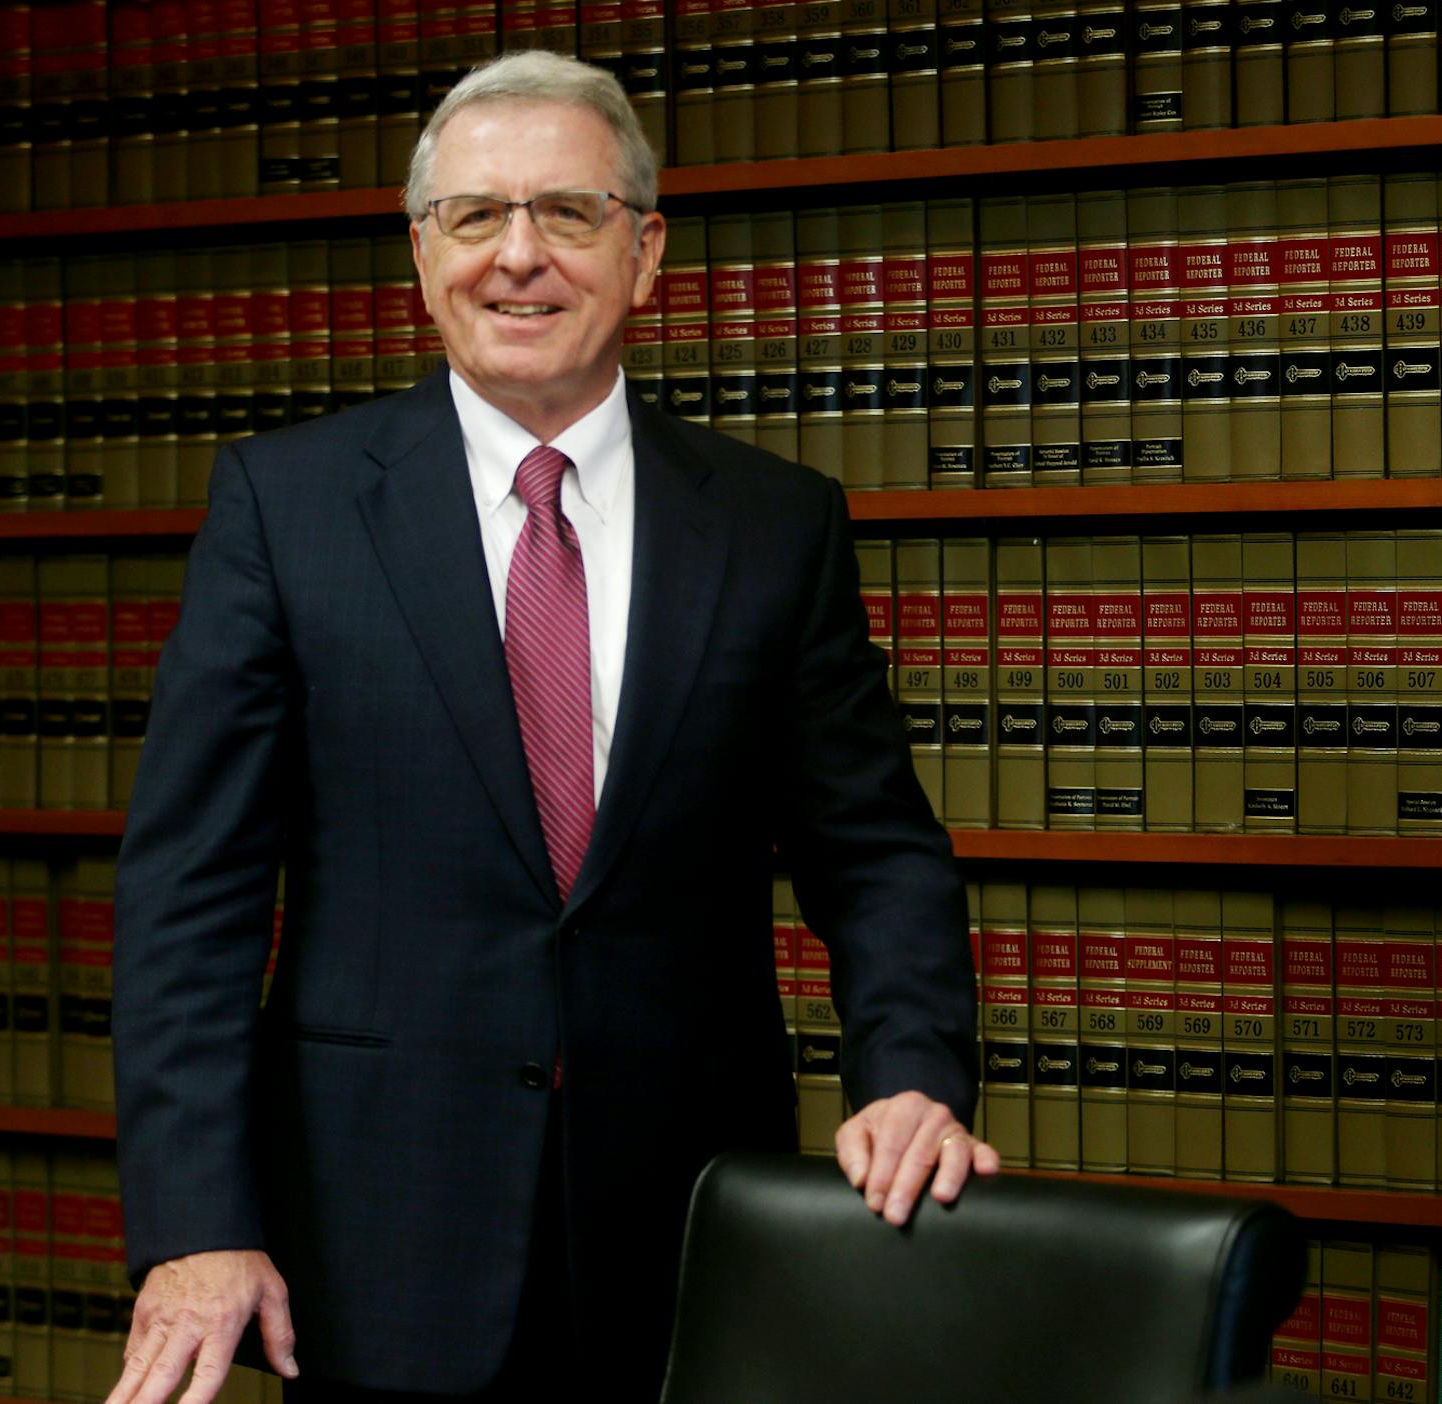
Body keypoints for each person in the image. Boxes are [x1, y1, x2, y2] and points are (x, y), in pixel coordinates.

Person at [104, 50, 994, 1404]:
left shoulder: (773, 526)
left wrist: (915, 1070)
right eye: (475, 217)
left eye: (567, 215)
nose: (517, 257)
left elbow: (876, 851)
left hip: (694, 1238)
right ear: (421, 254)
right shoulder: (285, 511)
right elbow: (189, 898)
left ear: (645, 255)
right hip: (378, 1236)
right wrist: (194, 1223)